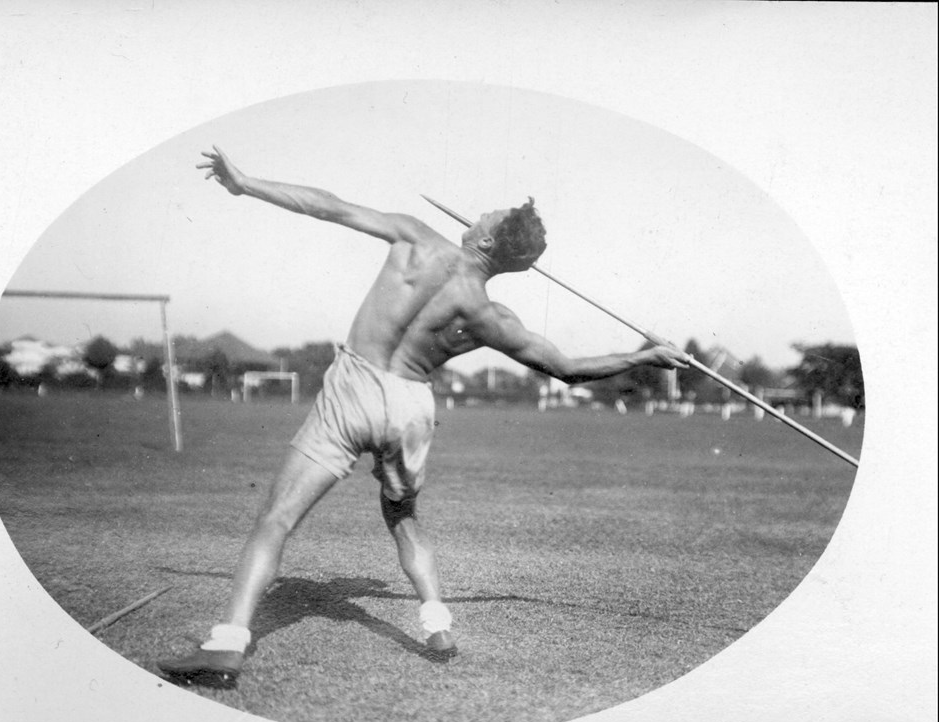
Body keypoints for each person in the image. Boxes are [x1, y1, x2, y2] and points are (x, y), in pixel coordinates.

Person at [158, 146, 690, 688]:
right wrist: (642, 355)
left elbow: (328, 207)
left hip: (354, 388)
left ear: (487, 241)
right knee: (402, 515)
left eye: (490, 217)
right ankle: (436, 621)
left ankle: (226, 645)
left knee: (276, 520)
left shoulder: (415, 238)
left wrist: (245, 183)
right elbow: (569, 370)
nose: (478, 214)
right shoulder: (491, 317)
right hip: (411, 408)